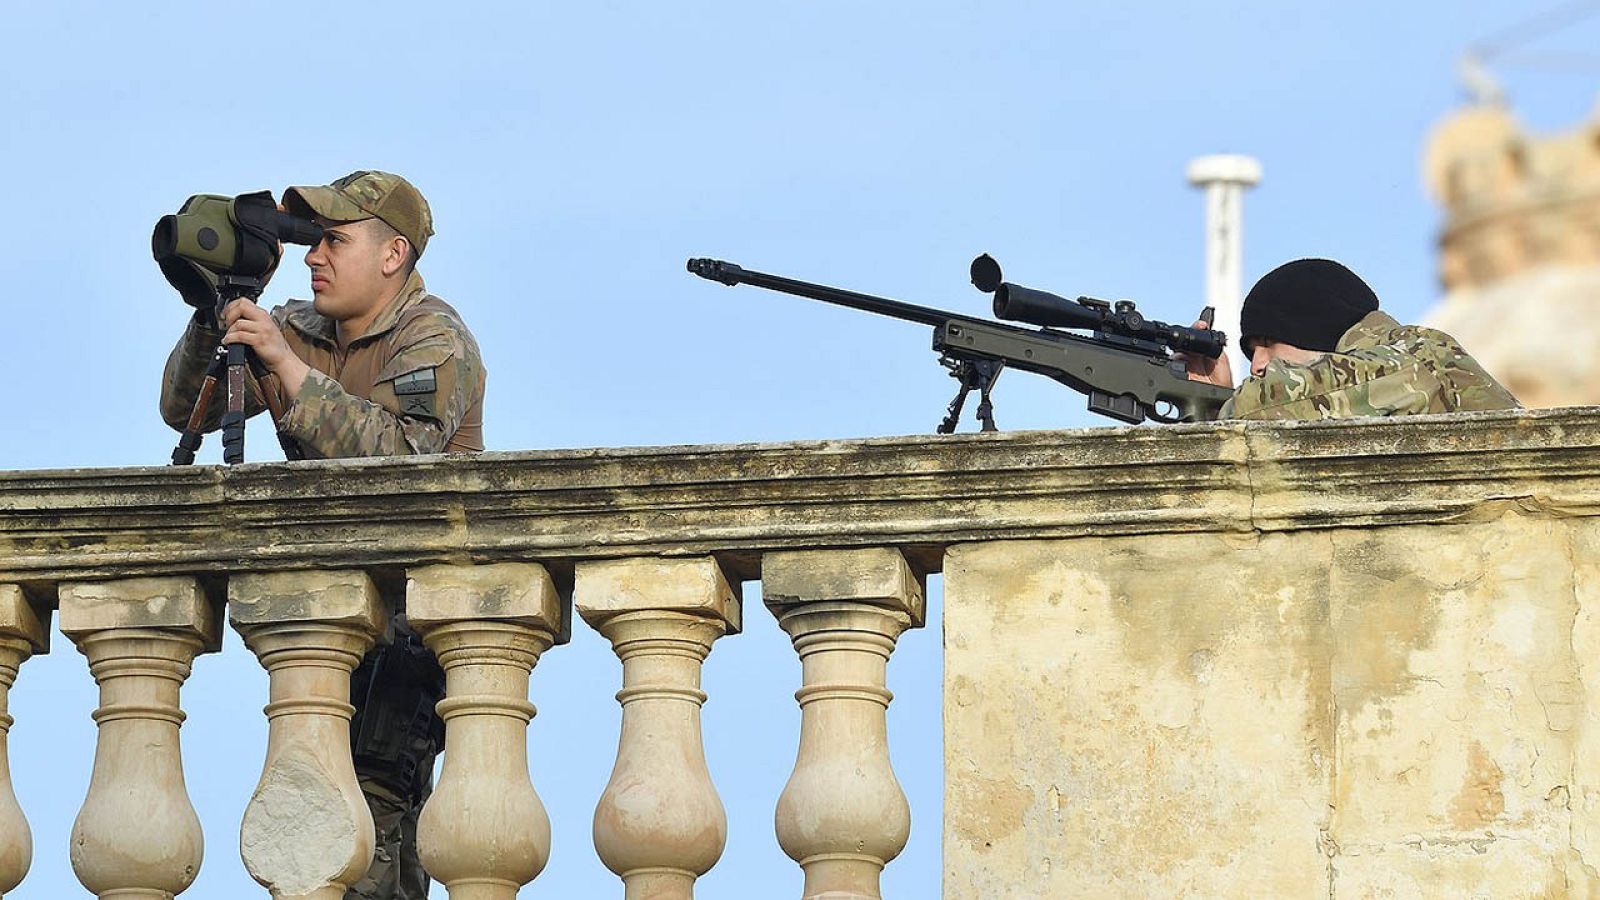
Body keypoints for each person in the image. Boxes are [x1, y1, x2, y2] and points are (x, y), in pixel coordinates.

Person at [159, 170, 485, 900]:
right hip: (331, 624)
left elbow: (404, 463)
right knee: (329, 824)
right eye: (311, 242)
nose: (313, 258)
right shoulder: (299, 325)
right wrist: (215, 309)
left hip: (413, 632)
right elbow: (182, 409)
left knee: (370, 826)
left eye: (334, 241)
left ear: (393, 254)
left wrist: (284, 365)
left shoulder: (434, 338)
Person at [1185, 258, 1518, 419]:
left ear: (1314, 331)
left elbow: (1276, 401)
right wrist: (1210, 402)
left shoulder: (1419, 354)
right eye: (1251, 352)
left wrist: (1221, 412)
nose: (1257, 366)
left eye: (1268, 344)